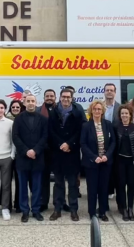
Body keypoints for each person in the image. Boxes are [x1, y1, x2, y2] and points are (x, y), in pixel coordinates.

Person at [49, 88, 84, 221]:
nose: (65, 99)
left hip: (72, 152)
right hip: (58, 153)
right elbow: (51, 131)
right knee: (58, 183)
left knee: (73, 184)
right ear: (60, 97)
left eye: (68, 97)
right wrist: (60, 144)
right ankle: (57, 209)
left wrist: (69, 144)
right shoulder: (53, 112)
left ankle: (73, 210)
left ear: (72, 98)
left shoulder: (77, 112)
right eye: (63, 97)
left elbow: (79, 131)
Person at [12, 93, 48, 222]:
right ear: (25, 103)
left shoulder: (43, 119)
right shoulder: (18, 119)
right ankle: (25, 211)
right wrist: (26, 151)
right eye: (28, 101)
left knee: (37, 186)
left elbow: (45, 137)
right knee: (22, 186)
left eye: (33, 100)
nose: (31, 103)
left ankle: (36, 210)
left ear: (36, 102)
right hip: (23, 158)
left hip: (37, 158)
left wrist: (35, 151)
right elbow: (15, 136)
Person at [81, 100, 115, 221]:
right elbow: (83, 144)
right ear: (91, 111)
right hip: (91, 163)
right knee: (92, 188)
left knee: (103, 188)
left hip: (105, 162)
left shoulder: (108, 124)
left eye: (99, 109)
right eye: (95, 109)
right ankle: (92, 212)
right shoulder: (86, 126)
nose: (97, 111)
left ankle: (102, 212)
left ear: (102, 111)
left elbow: (113, 142)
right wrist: (94, 157)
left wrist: (107, 155)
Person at [115, 104, 134, 221]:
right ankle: (123, 208)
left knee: (131, 185)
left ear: (130, 115)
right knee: (121, 185)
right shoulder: (116, 127)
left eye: (126, 113)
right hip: (119, 161)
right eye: (122, 114)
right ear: (120, 116)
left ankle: (131, 207)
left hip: (132, 161)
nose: (124, 115)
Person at [37, 89, 56, 212]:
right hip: (43, 150)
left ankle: (59, 202)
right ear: (44, 97)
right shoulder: (38, 111)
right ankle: (43, 202)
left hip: (57, 149)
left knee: (59, 177)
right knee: (44, 178)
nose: (49, 98)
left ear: (55, 97)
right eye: (47, 96)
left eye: (51, 96)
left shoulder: (60, 110)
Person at [6, 98, 25, 212]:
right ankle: (6, 204)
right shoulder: (6, 119)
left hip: (20, 154)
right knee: (6, 181)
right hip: (7, 153)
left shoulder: (23, 119)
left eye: (17, 107)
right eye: (13, 107)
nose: (15, 109)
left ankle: (18, 204)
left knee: (19, 181)